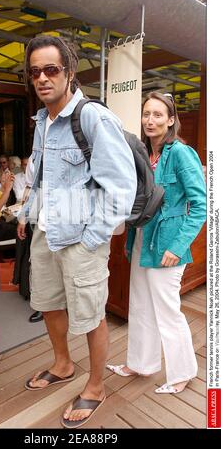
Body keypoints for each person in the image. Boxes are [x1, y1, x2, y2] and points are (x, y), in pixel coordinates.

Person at [17, 35, 136, 428]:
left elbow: (121, 187)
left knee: (90, 314)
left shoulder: (93, 118)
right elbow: (41, 178)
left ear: (69, 72)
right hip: (46, 231)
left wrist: (92, 237)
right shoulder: (42, 121)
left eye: (51, 69)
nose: (42, 78)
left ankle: (97, 386)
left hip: (82, 237)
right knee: (48, 302)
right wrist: (27, 213)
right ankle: (63, 364)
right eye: (35, 71)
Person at [106, 91, 206, 394]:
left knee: (167, 311)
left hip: (167, 244)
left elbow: (200, 205)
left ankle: (182, 372)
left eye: (158, 114)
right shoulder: (142, 153)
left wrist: (177, 247)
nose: (150, 120)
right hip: (140, 240)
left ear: (171, 120)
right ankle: (140, 363)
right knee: (140, 307)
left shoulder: (180, 153)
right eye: (146, 114)